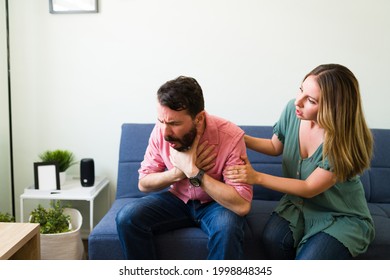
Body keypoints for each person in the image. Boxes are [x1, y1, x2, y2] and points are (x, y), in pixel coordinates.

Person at [225, 64, 375, 259]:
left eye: (311, 100)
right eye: (301, 90)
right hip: (299, 206)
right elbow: (274, 146)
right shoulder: (293, 110)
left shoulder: (342, 143)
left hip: (340, 215)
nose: (298, 102)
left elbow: (309, 187)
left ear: (333, 108)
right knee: (272, 239)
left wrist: (256, 177)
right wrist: (237, 136)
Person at [116, 76, 253, 259]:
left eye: (174, 124)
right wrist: (178, 172)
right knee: (127, 218)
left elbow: (242, 205)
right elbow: (144, 183)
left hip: (217, 204)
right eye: (161, 121)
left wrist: (194, 172)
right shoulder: (161, 130)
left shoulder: (230, 136)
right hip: (177, 200)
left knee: (227, 229)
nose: (165, 133)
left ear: (199, 119)